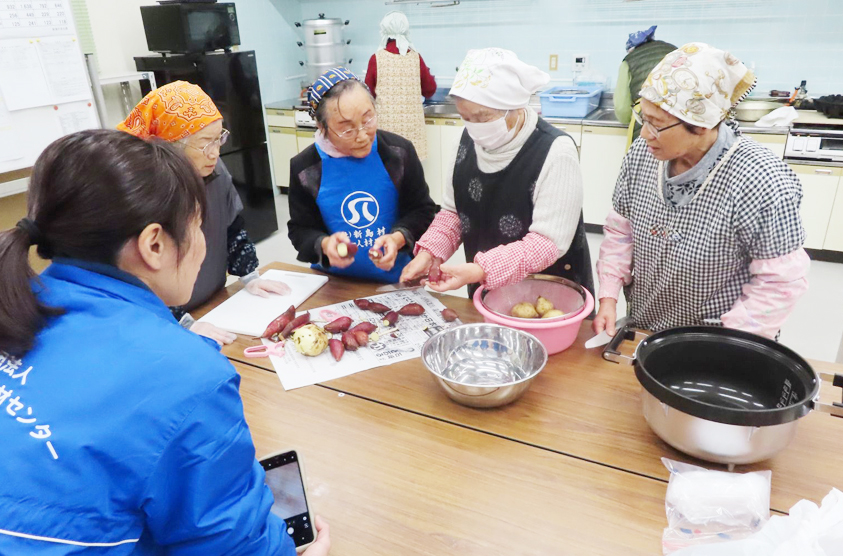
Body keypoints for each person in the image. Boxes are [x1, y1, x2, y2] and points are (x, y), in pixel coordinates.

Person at [0, 130, 331, 555]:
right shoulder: (189, 376)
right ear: (154, 244)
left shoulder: (18, 302)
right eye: (196, 225)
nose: (203, 241)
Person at [593, 43, 810, 340]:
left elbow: (779, 282)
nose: (644, 134)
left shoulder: (761, 180)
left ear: (702, 123)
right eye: (644, 118)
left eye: (656, 125)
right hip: (645, 327)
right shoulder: (641, 156)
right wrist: (608, 295)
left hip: (718, 343)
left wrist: (727, 346)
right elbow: (621, 232)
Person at [400, 48, 593, 298]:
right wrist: (430, 253)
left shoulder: (556, 151)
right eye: (465, 117)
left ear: (514, 107)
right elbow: (453, 213)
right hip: (486, 287)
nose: (474, 128)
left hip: (549, 293)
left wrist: (480, 269)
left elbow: (546, 244)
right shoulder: (467, 140)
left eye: (483, 118)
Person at [119, 81, 290, 346]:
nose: (215, 153)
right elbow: (138, 275)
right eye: (204, 144)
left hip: (215, 302)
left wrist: (250, 277)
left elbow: (232, 225)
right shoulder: (144, 193)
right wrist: (181, 322)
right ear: (171, 146)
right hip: (166, 323)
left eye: (218, 139)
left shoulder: (216, 169)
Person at [288, 67, 437, 283]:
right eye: (347, 130)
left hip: (398, 278)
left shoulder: (398, 153)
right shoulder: (305, 168)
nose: (362, 136)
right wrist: (323, 244)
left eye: (368, 120)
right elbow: (300, 229)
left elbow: (422, 210)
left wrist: (397, 239)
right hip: (333, 283)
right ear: (322, 127)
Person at [364, 11, 436, 160]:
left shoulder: (376, 59)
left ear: (384, 30)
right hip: (412, 130)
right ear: (406, 30)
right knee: (410, 173)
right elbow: (430, 90)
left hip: (387, 130)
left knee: (389, 170)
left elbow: (368, 94)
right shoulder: (415, 58)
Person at [613, 25, 676, 144]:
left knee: (640, 157)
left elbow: (622, 110)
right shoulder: (673, 51)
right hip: (676, 116)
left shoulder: (629, 61)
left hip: (645, 117)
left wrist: (628, 118)